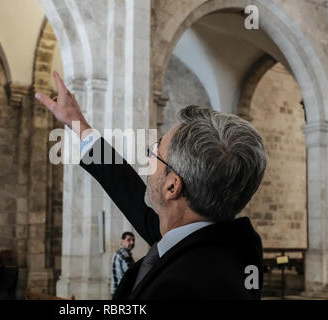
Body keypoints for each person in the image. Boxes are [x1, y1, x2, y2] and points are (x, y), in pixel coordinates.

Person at [35, 71, 267, 300]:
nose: (147, 160)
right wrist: (78, 124)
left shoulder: (179, 288)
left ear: (172, 187)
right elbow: (127, 190)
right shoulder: (221, 244)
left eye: (155, 152)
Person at [111, 232, 135, 297]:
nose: (132, 242)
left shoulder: (125, 254)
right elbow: (130, 274)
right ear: (122, 241)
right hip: (122, 292)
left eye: (133, 240)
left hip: (120, 291)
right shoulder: (123, 254)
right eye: (129, 240)